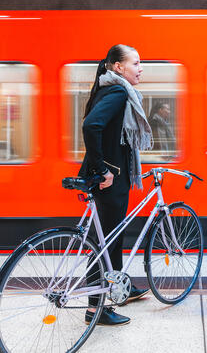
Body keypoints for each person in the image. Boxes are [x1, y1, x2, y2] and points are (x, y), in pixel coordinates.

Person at [79, 44, 153, 326]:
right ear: (119, 67)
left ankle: (119, 287)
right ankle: (95, 309)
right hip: (110, 178)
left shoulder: (111, 89)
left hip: (114, 175)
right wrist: (103, 170)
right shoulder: (119, 92)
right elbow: (91, 126)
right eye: (136, 63)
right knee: (104, 245)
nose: (141, 69)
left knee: (113, 239)